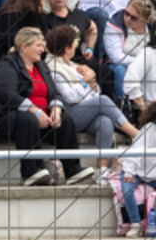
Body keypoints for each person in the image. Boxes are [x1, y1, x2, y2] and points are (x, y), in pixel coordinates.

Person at [0, 27, 93, 186]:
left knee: (65, 119)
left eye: (43, 45)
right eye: (39, 46)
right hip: (6, 117)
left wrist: (55, 109)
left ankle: (73, 169)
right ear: (24, 47)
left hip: (39, 117)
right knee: (27, 120)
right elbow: (7, 94)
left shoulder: (41, 66)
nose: (43, 49)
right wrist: (34, 111)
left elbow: (54, 92)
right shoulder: (7, 64)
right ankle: (30, 172)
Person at [47, 25, 138, 154]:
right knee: (103, 100)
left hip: (82, 110)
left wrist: (91, 82)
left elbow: (96, 92)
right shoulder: (54, 69)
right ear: (67, 49)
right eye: (74, 45)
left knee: (105, 121)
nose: (76, 47)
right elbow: (69, 97)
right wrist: (86, 82)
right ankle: (137, 135)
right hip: (67, 115)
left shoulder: (72, 65)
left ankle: (102, 167)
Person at [44, 0, 113, 99]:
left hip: (78, 58)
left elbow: (92, 28)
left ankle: (108, 105)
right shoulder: (44, 18)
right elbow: (43, 45)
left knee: (106, 72)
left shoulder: (76, 14)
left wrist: (90, 48)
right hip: (59, 61)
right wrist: (69, 63)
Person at [104, 0, 156, 99]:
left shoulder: (152, 27)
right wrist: (140, 63)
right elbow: (116, 56)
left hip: (146, 62)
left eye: (134, 17)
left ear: (144, 19)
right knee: (120, 71)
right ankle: (124, 104)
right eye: (126, 13)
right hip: (118, 63)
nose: (128, 19)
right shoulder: (114, 24)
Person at [119, 103, 156, 237]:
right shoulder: (149, 129)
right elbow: (136, 154)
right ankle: (135, 224)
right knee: (126, 188)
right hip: (138, 171)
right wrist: (129, 172)